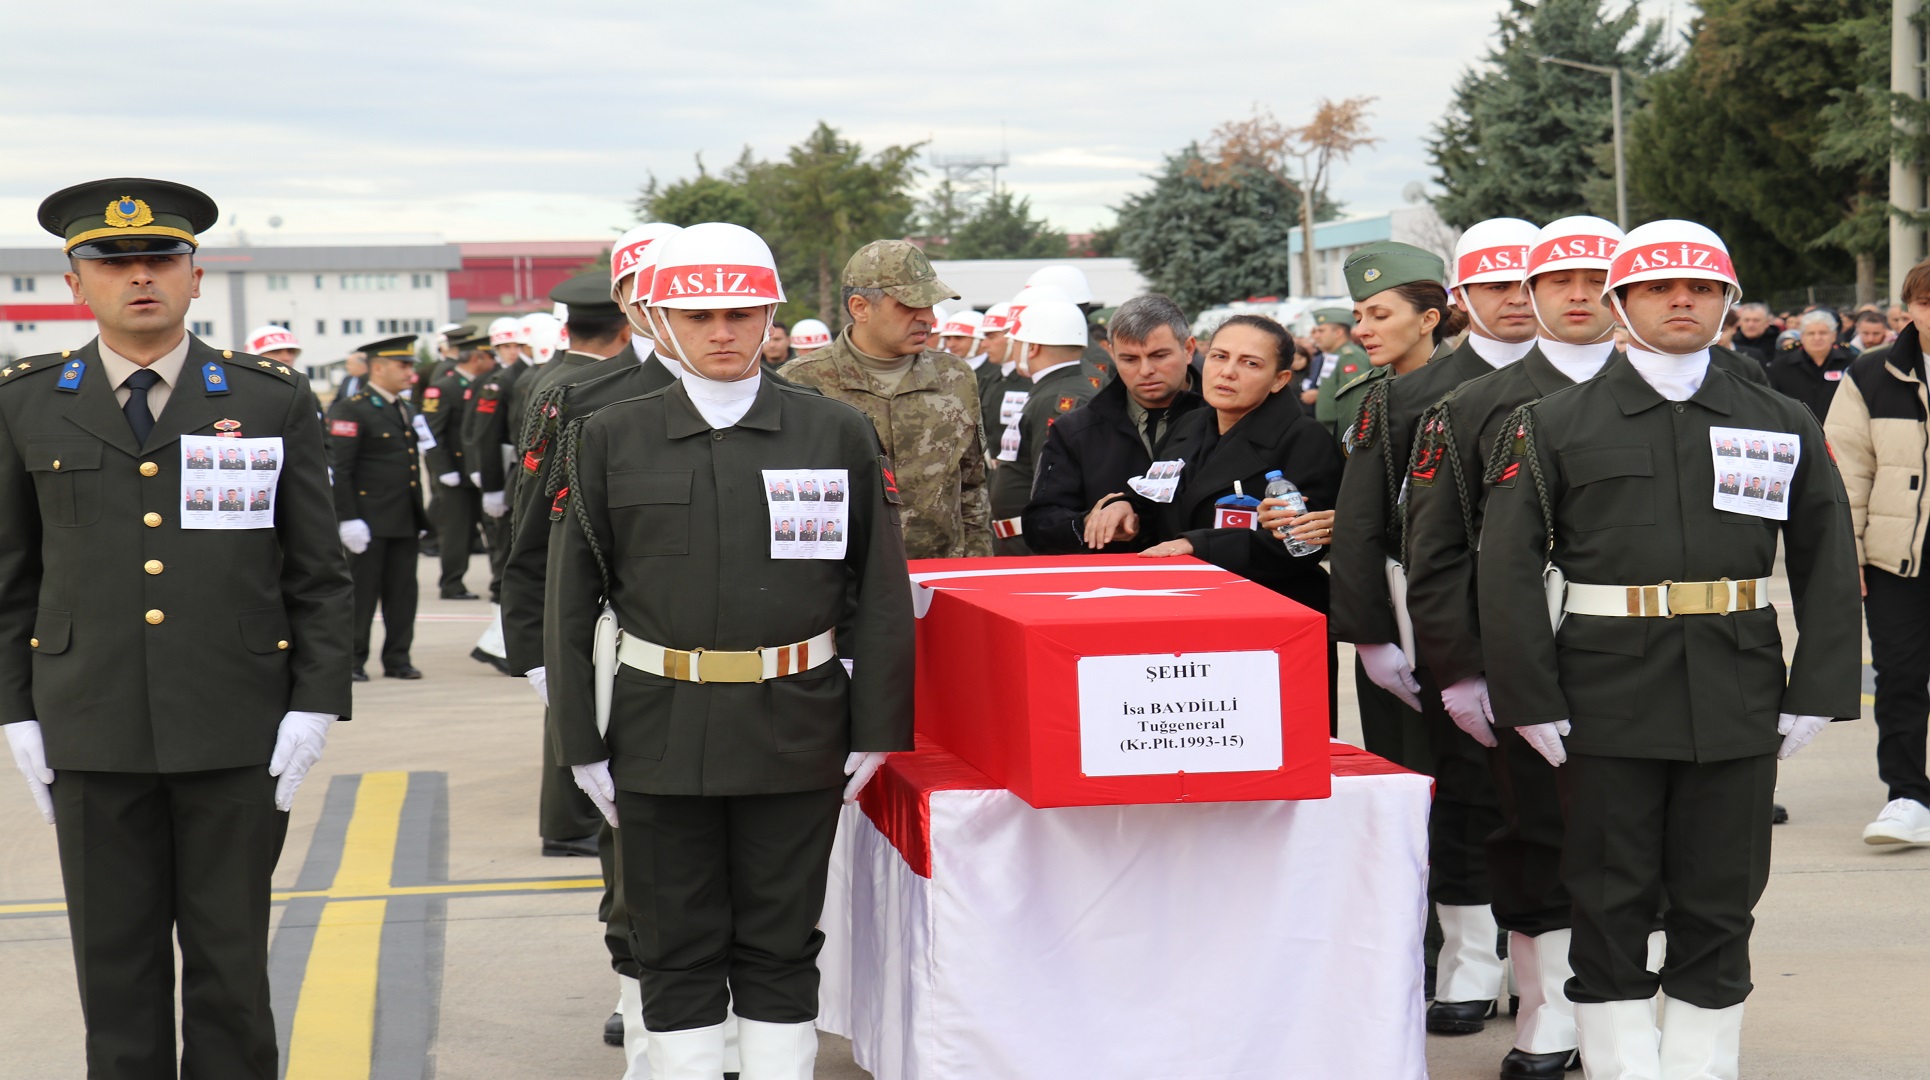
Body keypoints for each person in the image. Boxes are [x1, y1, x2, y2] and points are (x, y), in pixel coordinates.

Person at [1479, 219, 1860, 1079]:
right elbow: (1504, 570)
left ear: (1728, 302)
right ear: (1620, 303)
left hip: (1736, 683)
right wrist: (1527, 696)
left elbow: (1827, 555)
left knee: (1722, 893)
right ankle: (1622, 1064)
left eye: (1699, 287)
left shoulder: (1779, 415)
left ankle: (1700, 1063)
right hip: (1603, 691)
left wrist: (1816, 685)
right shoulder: (1554, 422)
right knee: (1608, 891)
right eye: (1656, 287)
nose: (1679, 299)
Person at [0, 177, 352, 1077]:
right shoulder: (27, 402)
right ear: (76, 282)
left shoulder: (270, 399)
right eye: (112, 262)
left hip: (233, 723)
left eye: (160, 258)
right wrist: (15, 713)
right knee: (114, 969)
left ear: (196, 275)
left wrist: (315, 703)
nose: (139, 276)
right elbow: (11, 577)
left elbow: (316, 572)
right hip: (91, 723)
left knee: (231, 969)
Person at [546, 221, 913, 1078]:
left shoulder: (834, 434)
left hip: (797, 725)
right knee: (672, 937)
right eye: (700, 313)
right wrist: (579, 742)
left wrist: (877, 724)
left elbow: (880, 591)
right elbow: (570, 604)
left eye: (744, 313)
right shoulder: (610, 437)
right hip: (656, 728)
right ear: (659, 321)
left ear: (772, 317)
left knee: (783, 936)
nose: (724, 332)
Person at [1401, 215, 1625, 1078]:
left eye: (1598, 277)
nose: (1580, 295)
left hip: (1640, 661)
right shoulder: (1468, 406)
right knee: (1535, 837)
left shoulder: (1681, 390)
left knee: (1636, 843)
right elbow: (1437, 551)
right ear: (1528, 293)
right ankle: (1548, 1014)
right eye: (1559, 279)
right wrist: (1460, 671)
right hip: (1521, 665)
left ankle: (1619, 1013)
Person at [1331, 220, 1540, 1035]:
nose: (1517, 303)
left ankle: (1540, 966)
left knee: (1536, 800)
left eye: (1531, 286)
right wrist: (1373, 634)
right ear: (1462, 302)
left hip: (1538, 622)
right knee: (1451, 794)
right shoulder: (1406, 396)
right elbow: (1359, 525)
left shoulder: (1575, 384)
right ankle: (1466, 963)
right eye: (1497, 288)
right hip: (1431, 623)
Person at [499, 223, 687, 1061]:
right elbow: (532, 551)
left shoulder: (776, 398)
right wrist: (544, 662)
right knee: (630, 839)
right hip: (623, 659)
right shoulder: (582, 401)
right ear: (631, 303)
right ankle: (638, 986)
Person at [1134, 313, 1341, 656]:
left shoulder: (1305, 439)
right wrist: (1124, 505)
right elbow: (1160, 495)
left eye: (1250, 363)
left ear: (1279, 380)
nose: (1228, 372)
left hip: (1273, 626)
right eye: (1219, 356)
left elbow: (1304, 544)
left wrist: (1198, 546)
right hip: (1183, 614)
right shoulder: (1189, 425)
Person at [779, 240, 991, 559]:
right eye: (909, 306)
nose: (928, 318)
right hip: (845, 586)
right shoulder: (799, 382)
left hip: (940, 579)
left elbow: (972, 488)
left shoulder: (956, 377)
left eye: (931, 304)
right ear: (860, 307)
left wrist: (976, 570)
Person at [1826, 257, 1930, 847]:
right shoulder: (1870, 373)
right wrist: (1850, 553)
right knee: (1902, 675)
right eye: (1926, 301)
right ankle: (1909, 796)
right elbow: (1848, 468)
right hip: (1896, 558)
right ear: (1909, 308)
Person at [1023, 294, 1205, 554]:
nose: (1145, 370)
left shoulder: (1225, 419)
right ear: (1112, 354)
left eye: (1159, 355)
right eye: (1130, 359)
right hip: (1110, 585)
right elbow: (1039, 525)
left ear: (1188, 349)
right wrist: (1088, 522)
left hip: (1206, 583)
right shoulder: (1074, 430)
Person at [327, 335, 430, 682]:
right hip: (368, 520)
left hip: (402, 517)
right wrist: (348, 518)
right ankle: (353, 659)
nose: (409, 372)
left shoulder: (404, 407)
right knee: (362, 594)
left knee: (403, 594)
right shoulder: (351, 408)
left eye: (411, 365)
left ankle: (398, 657)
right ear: (378, 368)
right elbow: (340, 469)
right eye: (403, 366)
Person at [987, 297, 1099, 552]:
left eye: (1016, 343)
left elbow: (1049, 483)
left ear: (1032, 348)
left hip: (1031, 542)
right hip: (1023, 537)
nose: (1014, 350)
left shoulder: (1057, 399)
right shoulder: (1053, 390)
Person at [461, 312, 534, 675]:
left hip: (518, 479)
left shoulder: (523, 375)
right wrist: (489, 484)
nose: (510, 352)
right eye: (505, 346)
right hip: (507, 481)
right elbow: (483, 433)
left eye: (515, 345)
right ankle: (498, 643)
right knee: (505, 563)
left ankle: (501, 641)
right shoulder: (498, 381)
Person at [423, 337, 494, 599]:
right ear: (476, 359)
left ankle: (499, 582)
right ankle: (452, 583)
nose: (493, 362)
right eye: (489, 357)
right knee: (457, 533)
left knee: (492, 529)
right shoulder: (444, 387)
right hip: (455, 473)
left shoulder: (482, 384)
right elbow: (430, 432)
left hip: (479, 471)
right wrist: (442, 469)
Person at [1768, 310, 1856, 421]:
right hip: (1797, 432)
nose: (1817, 338)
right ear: (1802, 337)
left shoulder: (1853, 364)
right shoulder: (1780, 367)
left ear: (1833, 336)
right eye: (1811, 333)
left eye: (1823, 333)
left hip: (1840, 431)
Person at [1307, 308, 1371, 439]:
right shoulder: (1335, 355)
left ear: (1338, 332)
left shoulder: (1349, 356)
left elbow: (1356, 396)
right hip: (1331, 428)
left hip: (1343, 430)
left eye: (1321, 331)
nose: (1316, 336)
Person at [1728, 302, 1779, 368]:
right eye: (1746, 320)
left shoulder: (1777, 343)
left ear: (1767, 322)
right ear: (1740, 322)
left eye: (1756, 320)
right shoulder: (1730, 342)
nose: (1750, 325)